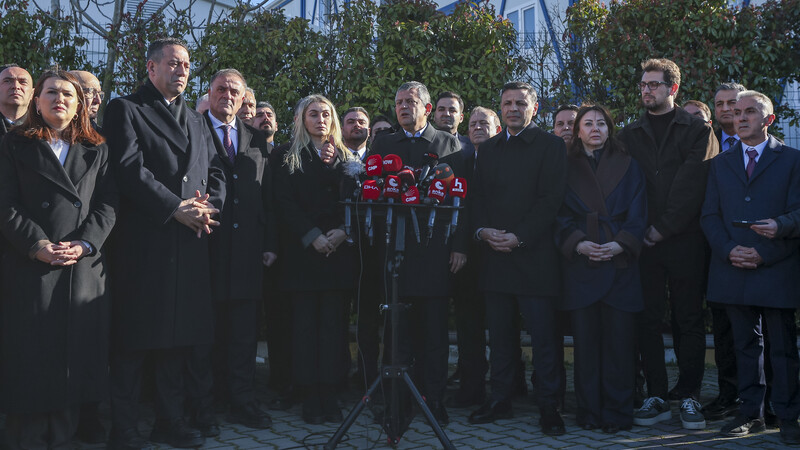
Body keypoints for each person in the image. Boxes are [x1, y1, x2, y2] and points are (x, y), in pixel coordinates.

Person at [103, 37, 225, 450]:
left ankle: (169, 423)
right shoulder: (126, 108)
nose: (182, 70)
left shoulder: (195, 118)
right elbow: (128, 170)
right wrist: (176, 207)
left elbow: (213, 172)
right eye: (173, 63)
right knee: (134, 341)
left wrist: (207, 208)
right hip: (146, 241)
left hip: (189, 241)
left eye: (187, 64)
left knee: (176, 340)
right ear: (151, 68)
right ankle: (123, 429)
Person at [0, 68, 117, 449]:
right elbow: (5, 203)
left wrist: (84, 244)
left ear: (79, 103)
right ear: (37, 100)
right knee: (31, 359)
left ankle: (66, 438)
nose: (60, 99)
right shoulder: (13, 143)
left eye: (68, 94)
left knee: (72, 359)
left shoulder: (97, 149)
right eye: (51, 92)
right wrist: (36, 244)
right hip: (28, 266)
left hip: (77, 269)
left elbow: (107, 207)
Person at [618, 58, 718, 430]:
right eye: (643, 85)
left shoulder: (697, 131)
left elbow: (694, 184)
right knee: (647, 319)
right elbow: (625, 187)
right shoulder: (629, 135)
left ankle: (690, 396)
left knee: (688, 318)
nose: (646, 91)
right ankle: (657, 396)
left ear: (672, 89)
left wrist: (665, 226)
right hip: (642, 242)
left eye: (654, 85)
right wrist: (641, 230)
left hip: (686, 240)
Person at [701, 90, 800, 445]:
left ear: (769, 120)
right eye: (736, 112)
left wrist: (768, 247)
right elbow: (709, 216)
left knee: (782, 348)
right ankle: (750, 413)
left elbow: (797, 213)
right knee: (744, 346)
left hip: (776, 267)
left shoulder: (792, 160)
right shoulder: (719, 163)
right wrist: (730, 250)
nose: (740, 117)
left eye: (750, 112)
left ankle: (788, 416)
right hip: (733, 267)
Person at [470, 81, 567, 436]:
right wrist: (483, 232)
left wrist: (519, 236)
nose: (513, 108)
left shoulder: (551, 146)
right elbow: (477, 198)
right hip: (495, 255)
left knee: (543, 337)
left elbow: (551, 199)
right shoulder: (489, 149)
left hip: (535, 255)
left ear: (535, 107)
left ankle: (548, 405)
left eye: (520, 103)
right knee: (500, 335)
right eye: (507, 103)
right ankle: (500, 399)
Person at [370, 81, 467, 427]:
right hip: (394, 252)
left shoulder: (449, 143)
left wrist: (459, 247)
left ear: (427, 108)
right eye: (398, 102)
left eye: (410, 101)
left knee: (434, 334)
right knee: (396, 333)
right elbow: (372, 193)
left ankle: (434, 400)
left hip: (435, 252)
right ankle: (396, 404)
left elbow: (464, 200)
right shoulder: (382, 144)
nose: (403, 107)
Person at [185, 68, 277, 433]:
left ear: (243, 99)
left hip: (247, 253)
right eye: (220, 89)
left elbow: (267, 196)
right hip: (203, 247)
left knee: (242, 335)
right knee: (202, 335)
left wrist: (269, 244)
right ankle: (202, 407)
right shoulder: (192, 127)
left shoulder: (257, 138)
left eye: (234, 90)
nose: (227, 95)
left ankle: (242, 401)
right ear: (209, 93)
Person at [555, 104, 647, 433]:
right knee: (586, 346)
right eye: (588, 124)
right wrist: (578, 242)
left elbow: (639, 213)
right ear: (577, 131)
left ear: (610, 129)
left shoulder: (630, 165)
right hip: (582, 264)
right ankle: (589, 413)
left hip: (619, 261)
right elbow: (557, 214)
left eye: (602, 124)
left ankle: (618, 414)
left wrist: (620, 243)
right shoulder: (564, 166)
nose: (595, 129)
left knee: (620, 346)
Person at [272, 94, 356, 424]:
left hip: (337, 254)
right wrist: (313, 236)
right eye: (313, 114)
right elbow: (284, 204)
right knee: (304, 328)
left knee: (334, 328)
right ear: (301, 120)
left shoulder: (348, 158)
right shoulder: (285, 156)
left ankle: (330, 392)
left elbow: (355, 201)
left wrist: (342, 232)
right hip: (302, 256)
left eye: (325, 114)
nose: (320, 119)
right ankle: (309, 394)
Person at [448, 106, 501, 409]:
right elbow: (459, 210)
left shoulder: (508, 161)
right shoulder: (460, 162)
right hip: (468, 257)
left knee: (501, 325)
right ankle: (472, 388)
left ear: (496, 128)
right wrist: (461, 246)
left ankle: (508, 386)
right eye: (473, 123)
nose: (478, 127)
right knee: (469, 327)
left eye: (485, 123)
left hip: (503, 253)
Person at [0, 64, 33, 139]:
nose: (16, 86)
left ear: (32, 93)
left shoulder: (43, 130)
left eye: (23, 82)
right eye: (7, 81)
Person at [713, 83, 746, 152]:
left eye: (732, 103)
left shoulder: (762, 143)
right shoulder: (707, 142)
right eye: (720, 104)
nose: (725, 109)